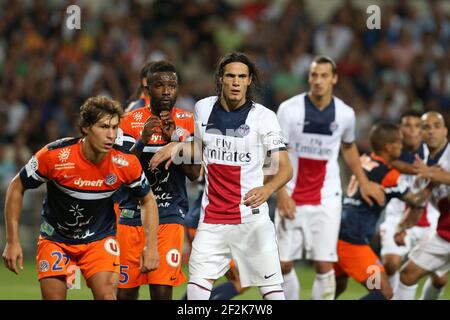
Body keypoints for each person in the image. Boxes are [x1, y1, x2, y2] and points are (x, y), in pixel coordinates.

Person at [151, 52, 293, 300]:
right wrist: (176, 143)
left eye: (242, 76)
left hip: (252, 220)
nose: (236, 82)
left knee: (272, 293)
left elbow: (285, 168)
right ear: (221, 79)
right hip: (212, 220)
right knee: (196, 293)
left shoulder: (264, 117)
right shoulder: (203, 108)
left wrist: (268, 190)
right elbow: (198, 153)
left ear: (250, 81)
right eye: (230, 76)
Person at [2, 96, 159, 300]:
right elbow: (16, 186)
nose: (111, 135)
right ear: (85, 127)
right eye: (103, 127)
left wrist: (151, 246)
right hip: (56, 240)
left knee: (107, 296)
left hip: (99, 240)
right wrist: (12, 240)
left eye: (114, 127)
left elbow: (147, 199)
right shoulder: (55, 156)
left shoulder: (125, 163)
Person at [274, 56, 385, 300]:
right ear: (308, 77)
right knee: (282, 265)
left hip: (327, 196)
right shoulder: (289, 110)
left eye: (324, 75)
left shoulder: (345, 114)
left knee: (324, 264)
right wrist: (280, 194)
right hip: (291, 193)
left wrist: (364, 182)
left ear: (334, 78)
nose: (318, 80)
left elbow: (348, 147)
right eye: (314, 75)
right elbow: (275, 152)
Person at [115, 61, 200, 300]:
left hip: (169, 215)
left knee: (162, 291)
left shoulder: (187, 121)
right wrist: (142, 141)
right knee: (126, 294)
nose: (166, 91)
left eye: (171, 85)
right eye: (160, 85)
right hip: (132, 216)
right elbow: (121, 170)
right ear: (148, 89)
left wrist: (175, 139)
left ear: (177, 89)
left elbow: (194, 174)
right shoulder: (128, 121)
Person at [335, 122, 431, 300]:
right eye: (399, 143)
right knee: (383, 292)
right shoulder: (388, 175)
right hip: (353, 242)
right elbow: (416, 199)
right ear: (389, 146)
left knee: (337, 286)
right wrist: (433, 181)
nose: (401, 147)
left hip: (338, 233)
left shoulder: (365, 160)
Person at [379, 110, 446, 299]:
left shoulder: (435, 155)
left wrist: (430, 173)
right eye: (407, 126)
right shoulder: (390, 151)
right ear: (399, 129)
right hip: (401, 214)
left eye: (418, 126)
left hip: (432, 218)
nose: (412, 131)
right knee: (395, 265)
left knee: (439, 280)